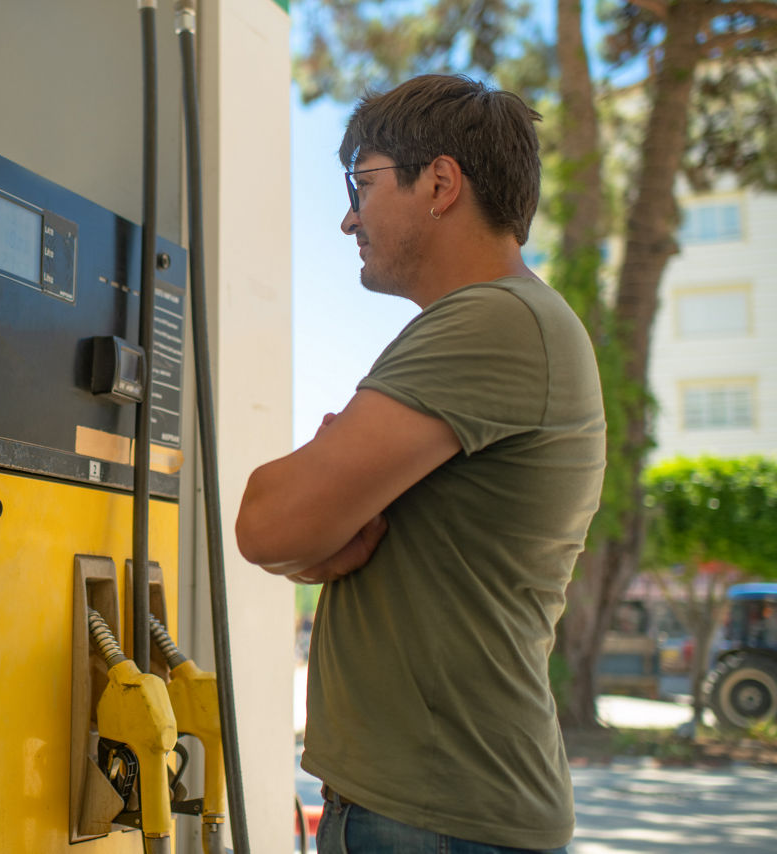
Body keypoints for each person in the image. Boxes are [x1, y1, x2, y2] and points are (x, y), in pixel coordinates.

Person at [235, 75, 605, 853]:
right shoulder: (505, 323)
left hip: (431, 820)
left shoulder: (494, 321)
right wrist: (321, 533)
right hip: (430, 811)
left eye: (362, 185)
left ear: (440, 182)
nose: (347, 218)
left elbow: (267, 521)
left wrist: (315, 513)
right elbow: (310, 536)